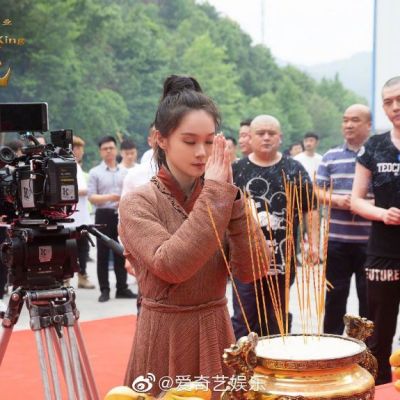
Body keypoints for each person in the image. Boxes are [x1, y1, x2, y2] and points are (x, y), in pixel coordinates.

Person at [118, 75, 265, 395]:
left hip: (216, 329)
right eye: (189, 141)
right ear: (161, 139)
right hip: (163, 333)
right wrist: (216, 196)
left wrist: (236, 203)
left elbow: (254, 269)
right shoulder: (138, 202)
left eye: (210, 141)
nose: (202, 152)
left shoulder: (223, 196)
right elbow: (173, 265)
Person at [231, 114, 319, 339]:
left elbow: (310, 209)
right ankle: (244, 370)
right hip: (245, 261)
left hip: (283, 260)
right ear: (250, 137)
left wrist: (314, 245)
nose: (266, 138)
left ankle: (275, 368)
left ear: (280, 138)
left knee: (276, 317)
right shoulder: (237, 170)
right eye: (261, 133)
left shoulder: (294, 169)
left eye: (272, 133)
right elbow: (224, 214)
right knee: (245, 316)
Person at [351, 76, 400, 385]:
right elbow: (356, 200)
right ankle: (379, 387)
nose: (395, 107)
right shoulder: (374, 147)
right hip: (383, 252)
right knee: (379, 331)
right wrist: (383, 213)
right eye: (388, 102)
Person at [316, 104, 372, 335]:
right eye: (345, 120)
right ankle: (331, 346)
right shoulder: (331, 157)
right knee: (334, 297)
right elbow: (317, 191)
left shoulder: (376, 156)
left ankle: (368, 352)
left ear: (368, 125)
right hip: (337, 241)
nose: (348, 124)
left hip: (370, 242)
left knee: (369, 300)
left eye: (355, 120)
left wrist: (364, 205)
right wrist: (338, 200)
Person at [88, 136, 136, 302]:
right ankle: (105, 290)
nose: (109, 151)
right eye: (105, 148)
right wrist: (111, 197)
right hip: (103, 214)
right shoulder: (95, 172)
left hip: (121, 214)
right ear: (101, 151)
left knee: (122, 251)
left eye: (111, 147)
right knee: (103, 253)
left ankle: (122, 288)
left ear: (116, 150)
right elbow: (92, 197)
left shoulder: (125, 172)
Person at [69, 135, 95, 289]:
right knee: (68, 248)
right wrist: (86, 191)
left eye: (80, 148)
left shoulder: (78, 166)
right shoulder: (66, 165)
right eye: (75, 148)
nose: (78, 151)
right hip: (69, 216)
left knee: (83, 248)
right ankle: (65, 278)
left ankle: (82, 276)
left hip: (83, 215)